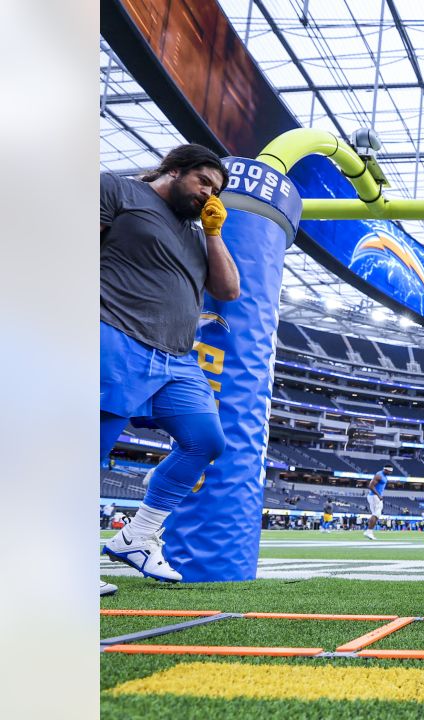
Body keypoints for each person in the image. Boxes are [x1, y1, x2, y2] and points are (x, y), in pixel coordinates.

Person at [99, 145, 237, 586]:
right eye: (203, 182)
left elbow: (229, 290)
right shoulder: (118, 190)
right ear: (174, 170)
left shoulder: (198, 235)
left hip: (176, 357)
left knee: (205, 442)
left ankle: (136, 537)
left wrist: (214, 233)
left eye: (216, 191)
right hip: (116, 334)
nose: (208, 196)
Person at [365, 464, 392, 540]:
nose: (390, 473)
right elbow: (370, 486)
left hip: (377, 497)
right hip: (374, 496)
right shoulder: (379, 475)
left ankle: (369, 531)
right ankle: (369, 532)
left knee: (377, 514)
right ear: (386, 470)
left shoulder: (383, 476)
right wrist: (378, 495)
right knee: (376, 514)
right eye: (389, 471)